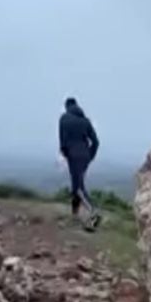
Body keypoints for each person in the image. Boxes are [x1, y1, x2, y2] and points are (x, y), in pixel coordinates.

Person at [59, 97, 100, 228]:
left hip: (73, 155)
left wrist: (66, 154)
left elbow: (63, 141)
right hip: (85, 155)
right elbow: (96, 142)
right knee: (77, 184)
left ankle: (93, 213)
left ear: (67, 106)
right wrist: (90, 156)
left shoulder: (64, 118)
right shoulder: (85, 121)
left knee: (78, 188)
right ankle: (75, 215)